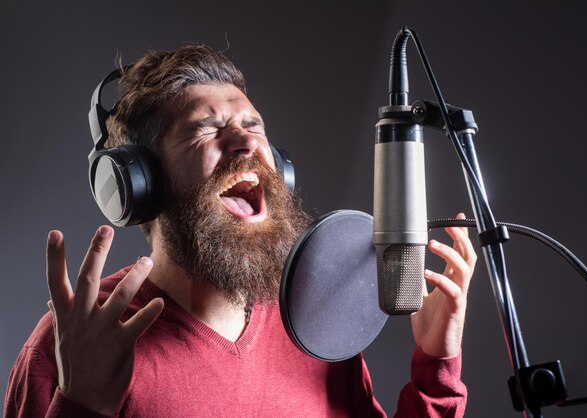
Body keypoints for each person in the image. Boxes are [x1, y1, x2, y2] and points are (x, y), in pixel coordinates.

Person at [4, 45, 477, 417]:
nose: (247, 141)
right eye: (206, 129)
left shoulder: (311, 324)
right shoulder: (80, 341)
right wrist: (83, 403)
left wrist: (436, 366)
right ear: (141, 182)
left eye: (254, 126)